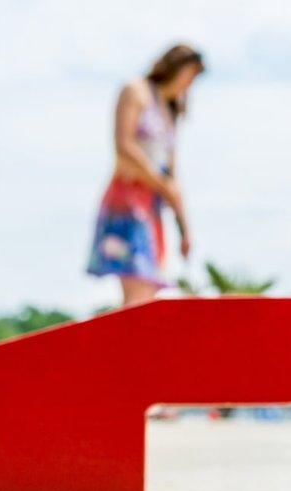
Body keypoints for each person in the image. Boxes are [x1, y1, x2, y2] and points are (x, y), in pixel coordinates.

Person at [86, 44, 205, 306]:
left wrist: (184, 228)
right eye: (190, 75)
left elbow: (173, 178)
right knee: (138, 293)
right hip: (127, 203)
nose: (189, 85)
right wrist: (160, 184)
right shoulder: (135, 91)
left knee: (149, 292)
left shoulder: (170, 110)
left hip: (152, 210)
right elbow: (124, 146)